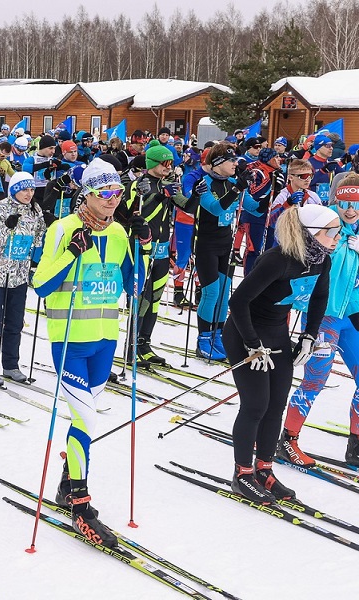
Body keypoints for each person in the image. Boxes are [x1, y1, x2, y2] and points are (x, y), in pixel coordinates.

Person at [32, 158, 147, 548]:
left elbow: (135, 286)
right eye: (105, 193)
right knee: (87, 418)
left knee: (84, 421)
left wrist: (143, 246)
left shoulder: (118, 232)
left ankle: (67, 483)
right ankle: (80, 502)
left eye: (118, 192)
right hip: (69, 341)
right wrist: (69, 254)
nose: (113, 199)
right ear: (87, 195)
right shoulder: (62, 228)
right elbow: (41, 285)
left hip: (104, 341)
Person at [224, 204, 336, 503]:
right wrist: (251, 343)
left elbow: (319, 298)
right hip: (244, 332)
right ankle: (242, 474)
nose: (337, 237)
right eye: (331, 231)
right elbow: (238, 302)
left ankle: (264, 470)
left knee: (276, 405)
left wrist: (309, 336)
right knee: (255, 405)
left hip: (276, 332)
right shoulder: (277, 260)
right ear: (312, 233)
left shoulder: (322, 260)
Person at [280, 181, 359, 467]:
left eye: (356, 204)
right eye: (344, 203)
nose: (350, 210)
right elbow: (306, 262)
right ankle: (287, 441)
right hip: (324, 317)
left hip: (352, 316)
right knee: (315, 380)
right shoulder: (327, 227)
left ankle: (355, 446)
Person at [115, 140, 192, 366]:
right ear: (152, 163)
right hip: (142, 249)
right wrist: (160, 196)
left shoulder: (168, 183)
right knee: (141, 300)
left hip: (161, 250)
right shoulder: (139, 184)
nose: (169, 167)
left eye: (171, 163)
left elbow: (187, 207)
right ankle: (131, 348)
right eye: (164, 163)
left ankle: (144, 344)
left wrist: (196, 194)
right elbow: (137, 214)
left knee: (155, 299)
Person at [193, 144, 258, 360]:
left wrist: (269, 189)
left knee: (223, 292)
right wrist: (237, 188)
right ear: (217, 163)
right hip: (206, 245)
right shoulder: (204, 183)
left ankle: (217, 336)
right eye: (231, 160)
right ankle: (203, 339)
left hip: (225, 244)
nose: (235, 164)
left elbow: (256, 208)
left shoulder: (231, 183)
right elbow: (215, 208)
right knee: (211, 292)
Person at [0, 171, 46, 384]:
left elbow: (39, 234)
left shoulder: (35, 210)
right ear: (14, 190)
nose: (29, 194)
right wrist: (5, 229)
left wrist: (37, 254)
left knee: (15, 323)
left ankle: (11, 365)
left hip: (19, 275)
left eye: (32, 189)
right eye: (24, 190)